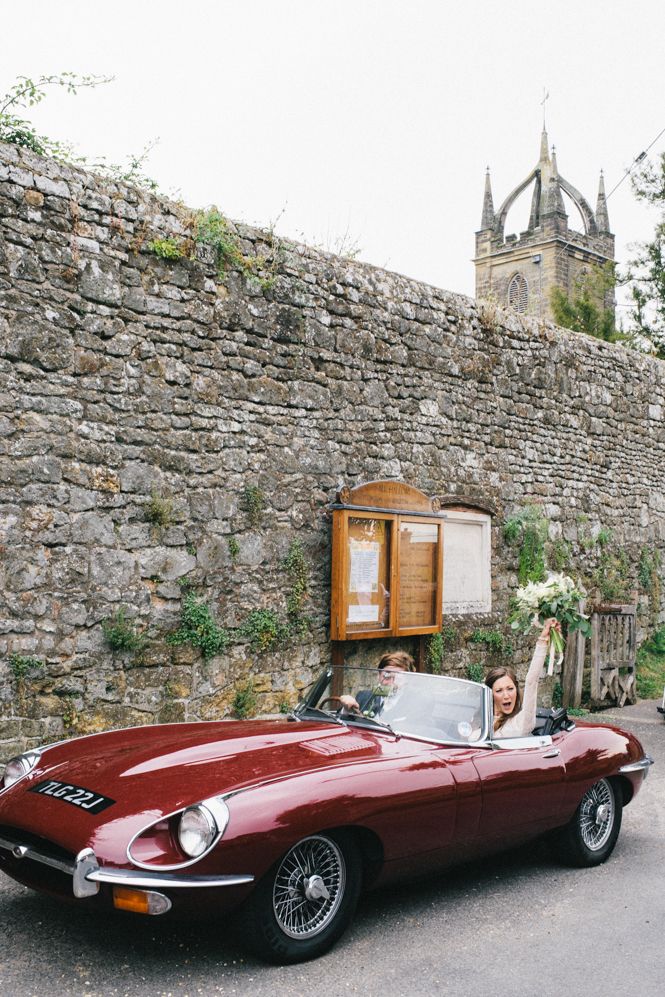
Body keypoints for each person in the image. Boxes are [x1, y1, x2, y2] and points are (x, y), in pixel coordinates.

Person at [485, 618, 561, 737]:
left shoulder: (522, 721)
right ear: (490, 695)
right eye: (499, 691)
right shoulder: (481, 721)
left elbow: (531, 680)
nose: (506, 696)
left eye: (510, 689)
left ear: (516, 690)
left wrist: (543, 640)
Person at [339, 651, 414, 718]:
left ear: (406, 681)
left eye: (398, 678)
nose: (391, 683)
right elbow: (344, 723)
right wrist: (346, 709)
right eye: (386, 676)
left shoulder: (413, 705)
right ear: (379, 675)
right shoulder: (363, 697)